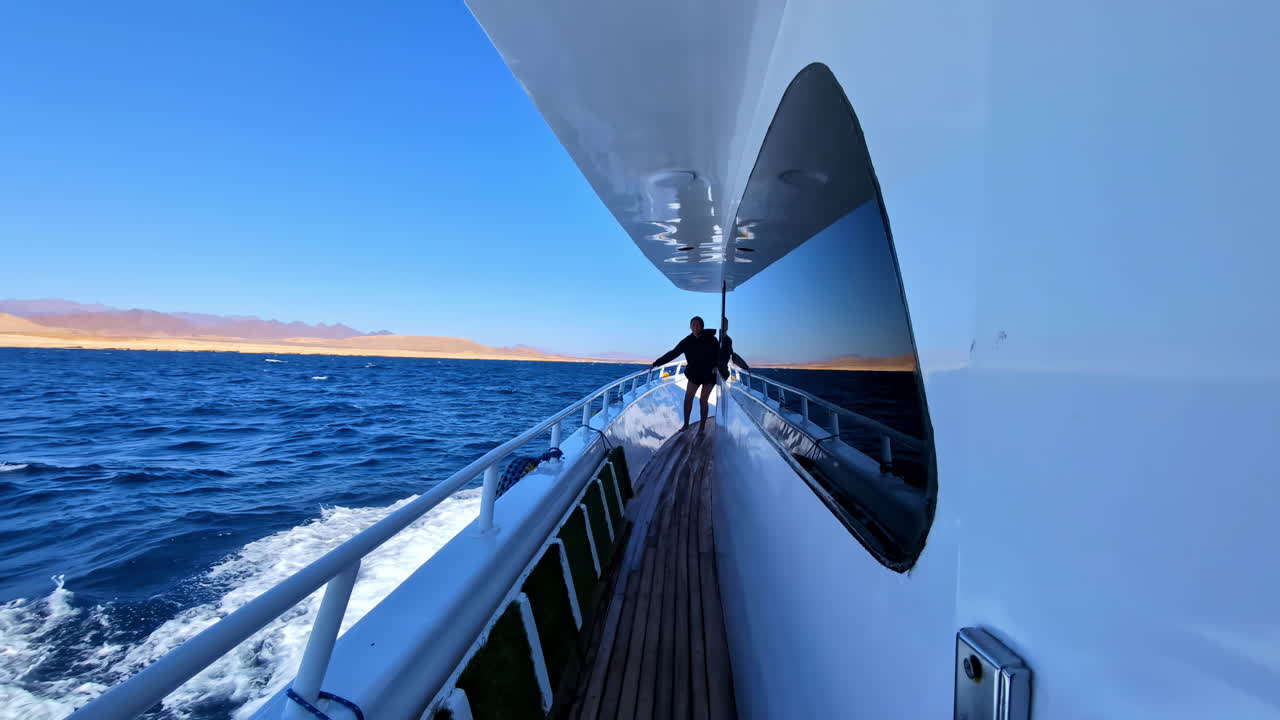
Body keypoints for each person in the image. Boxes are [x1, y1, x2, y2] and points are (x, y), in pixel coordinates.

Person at [651, 315, 720, 432]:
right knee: (688, 398)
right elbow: (672, 353)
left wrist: (716, 366)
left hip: (709, 375)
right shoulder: (687, 342)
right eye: (693, 324)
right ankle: (686, 424)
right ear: (690, 327)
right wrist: (655, 364)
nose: (696, 327)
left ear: (702, 326)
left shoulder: (712, 339)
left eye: (698, 325)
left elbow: (719, 355)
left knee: (703, 400)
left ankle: (702, 427)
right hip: (695, 374)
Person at [717, 316, 749, 381]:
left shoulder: (728, 340)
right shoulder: (716, 340)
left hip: (722, 372)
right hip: (718, 371)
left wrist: (745, 367)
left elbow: (733, 356)